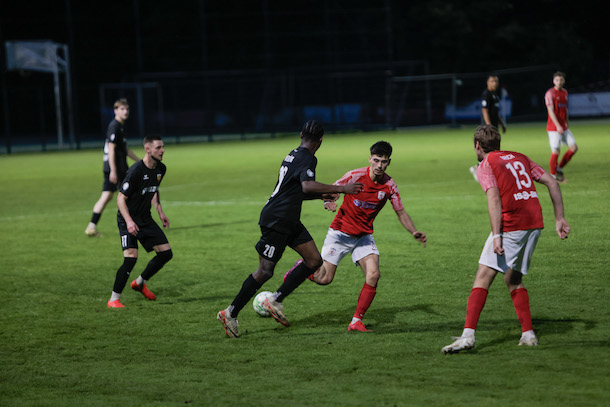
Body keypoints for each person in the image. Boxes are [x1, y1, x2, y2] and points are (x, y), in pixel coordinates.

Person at [217, 120, 363, 338]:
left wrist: (320, 196)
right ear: (321, 140)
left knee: (314, 260)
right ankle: (230, 313)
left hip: (288, 219)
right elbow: (306, 186)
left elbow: (295, 191)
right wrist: (342, 188)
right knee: (265, 271)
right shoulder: (308, 157)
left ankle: (275, 300)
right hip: (277, 220)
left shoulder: (293, 154)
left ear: (301, 134)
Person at [442, 125, 570, 353]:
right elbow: (552, 182)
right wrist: (559, 218)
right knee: (513, 278)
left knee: (483, 276)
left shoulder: (486, 164)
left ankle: (467, 336)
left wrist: (497, 235)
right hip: (534, 224)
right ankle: (528, 335)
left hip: (512, 225)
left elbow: (494, 199)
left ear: (477, 146)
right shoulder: (520, 157)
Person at [283, 141, 427, 332]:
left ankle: (356, 321)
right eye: (376, 160)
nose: (379, 165)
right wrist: (327, 203)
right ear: (370, 159)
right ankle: (300, 269)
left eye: (383, 162)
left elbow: (400, 211)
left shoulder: (389, 186)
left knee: (374, 274)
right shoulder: (355, 176)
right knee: (324, 279)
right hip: (340, 234)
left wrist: (413, 231)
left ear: (388, 162)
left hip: (363, 237)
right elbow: (332, 189)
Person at [107, 135, 173, 308]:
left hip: (145, 218)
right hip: (127, 218)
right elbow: (120, 199)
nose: (162, 150)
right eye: (158, 147)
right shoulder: (135, 171)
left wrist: (160, 212)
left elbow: (153, 190)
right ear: (147, 149)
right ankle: (114, 299)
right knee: (131, 258)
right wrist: (129, 222)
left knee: (166, 253)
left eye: (163, 147)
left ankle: (139, 282)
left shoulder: (161, 169)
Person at [86, 98, 139, 237]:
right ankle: (132, 225)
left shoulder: (119, 126)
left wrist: (140, 161)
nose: (125, 111)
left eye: (127, 109)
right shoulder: (114, 126)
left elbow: (125, 150)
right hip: (116, 169)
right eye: (122, 109)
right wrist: (114, 171)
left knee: (107, 196)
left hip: (114, 168)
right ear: (115, 111)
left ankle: (91, 227)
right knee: (130, 195)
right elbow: (111, 149)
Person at [469, 75, 507, 181]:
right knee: (489, 149)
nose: (495, 83)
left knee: (494, 150)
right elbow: (484, 111)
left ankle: (481, 168)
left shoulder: (495, 95)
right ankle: (479, 169)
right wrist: (489, 126)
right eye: (492, 81)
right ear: (487, 83)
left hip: (494, 127)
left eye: (496, 81)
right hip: (488, 128)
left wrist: (502, 124)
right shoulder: (486, 94)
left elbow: (495, 113)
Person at [545, 71, 577, 182]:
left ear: (564, 81)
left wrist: (567, 122)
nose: (559, 82)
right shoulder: (550, 93)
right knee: (556, 152)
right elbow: (550, 111)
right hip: (554, 128)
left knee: (574, 148)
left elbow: (565, 109)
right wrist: (558, 125)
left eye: (561, 80)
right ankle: (553, 177)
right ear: (553, 81)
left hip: (564, 127)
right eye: (557, 80)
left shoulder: (565, 92)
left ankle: (558, 168)